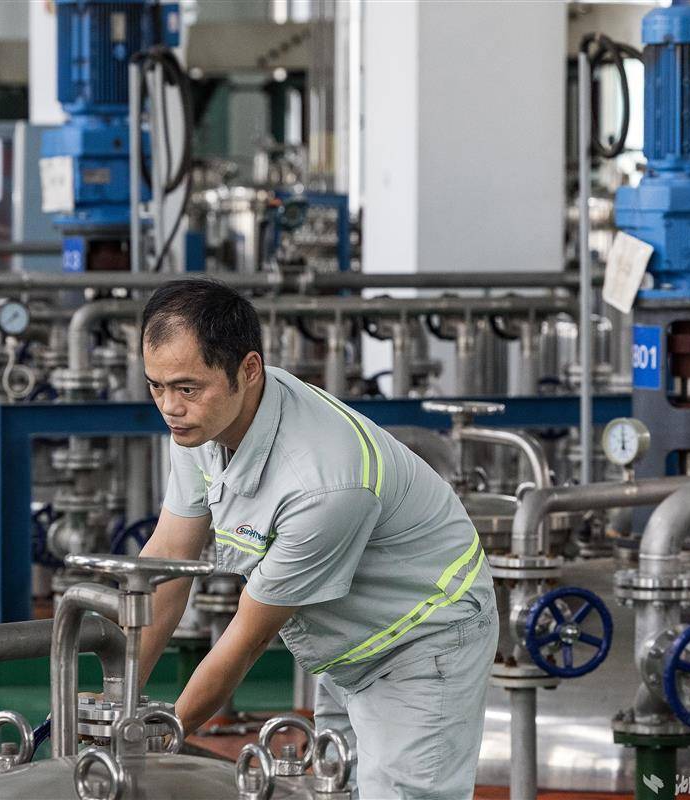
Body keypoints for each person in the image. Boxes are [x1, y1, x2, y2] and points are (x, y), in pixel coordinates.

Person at [136, 278, 498, 800]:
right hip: (350, 640)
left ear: (249, 370)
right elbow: (168, 561)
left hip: (425, 640)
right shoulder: (204, 422)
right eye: (156, 386)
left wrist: (161, 737)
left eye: (186, 388)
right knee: (336, 789)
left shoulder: (323, 483)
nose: (169, 406)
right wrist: (115, 700)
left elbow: (246, 639)